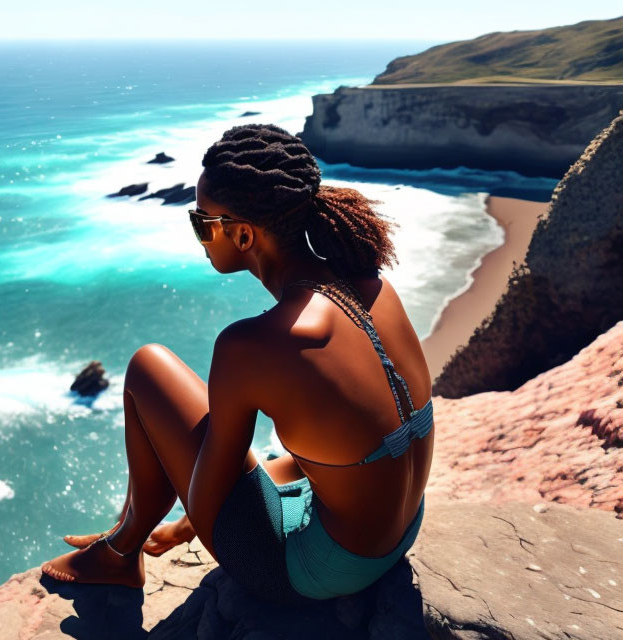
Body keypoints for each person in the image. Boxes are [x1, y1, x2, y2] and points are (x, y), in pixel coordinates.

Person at [41, 123, 434, 604]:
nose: (200, 237)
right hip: (398, 535)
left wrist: (188, 520)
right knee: (242, 448)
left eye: (202, 223)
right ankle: (122, 544)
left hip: (321, 576)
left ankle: (120, 552)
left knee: (149, 367)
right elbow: (353, 451)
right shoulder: (376, 291)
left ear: (244, 234)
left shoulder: (252, 345)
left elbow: (212, 498)